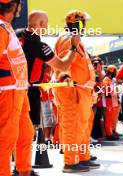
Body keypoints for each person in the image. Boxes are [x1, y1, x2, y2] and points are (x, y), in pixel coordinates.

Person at [16, 10, 80, 138]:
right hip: (29, 93)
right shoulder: (41, 47)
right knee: (27, 132)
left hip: (11, 89)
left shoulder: (16, 34)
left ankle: (9, 156)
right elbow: (63, 65)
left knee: (11, 128)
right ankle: (20, 157)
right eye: (46, 24)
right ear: (40, 24)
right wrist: (73, 46)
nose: (47, 27)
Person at [53, 10, 100, 173]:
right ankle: (70, 163)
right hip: (72, 91)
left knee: (82, 126)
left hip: (81, 91)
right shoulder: (68, 40)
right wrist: (65, 77)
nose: (85, 26)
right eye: (83, 23)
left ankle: (81, 157)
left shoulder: (76, 41)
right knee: (72, 126)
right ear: (76, 24)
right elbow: (63, 62)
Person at [0, 1, 34, 175]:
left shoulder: (6, 27)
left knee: (25, 134)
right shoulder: (0, 27)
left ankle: (24, 170)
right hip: (8, 91)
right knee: (6, 139)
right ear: (13, 7)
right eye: (19, 4)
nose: (21, 7)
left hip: (19, 91)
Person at [102, 65, 120, 140]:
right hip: (108, 101)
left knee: (112, 118)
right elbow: (107, 91)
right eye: (115, 71)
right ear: (111, 71)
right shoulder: (106, 79)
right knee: (108, 118)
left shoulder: (111, 80)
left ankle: (112, 131)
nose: (116, 73)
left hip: (113, 101)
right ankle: (109, 134)